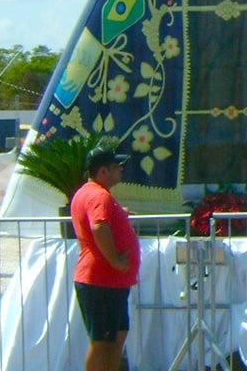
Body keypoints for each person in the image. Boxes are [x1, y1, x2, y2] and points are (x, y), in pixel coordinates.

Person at [71, 146, 140, 371]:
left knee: (117, 335)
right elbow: (99, 226)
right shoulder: (98, 195)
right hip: (102, 280)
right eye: (116, 167)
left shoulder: (92, 193)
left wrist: (120, 213)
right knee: (102, 342)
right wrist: (115, 260)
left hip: (110, 281)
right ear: (102, 171)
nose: (121, 170)